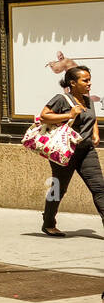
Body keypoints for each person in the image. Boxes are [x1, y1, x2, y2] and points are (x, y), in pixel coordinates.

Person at [39, 65, 104, 235]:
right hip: (65, 151)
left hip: (86, 151)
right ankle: (48, 222)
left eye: (90, 80)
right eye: (85, 80)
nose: (89, 83)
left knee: (99, 188)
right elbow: (44, 116)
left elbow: (93, 118)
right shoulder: (61, 99)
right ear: (73, 83)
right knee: (59, 188)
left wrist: (95, 133)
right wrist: (69, 114)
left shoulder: (87, 100)